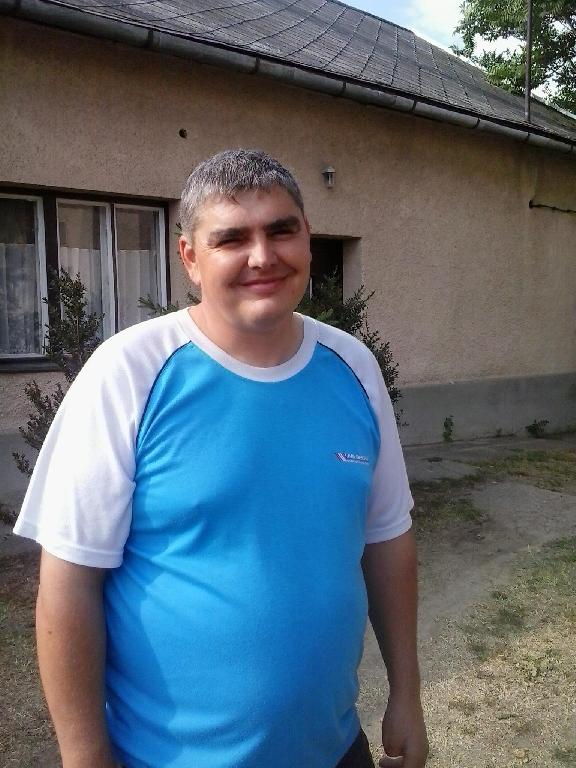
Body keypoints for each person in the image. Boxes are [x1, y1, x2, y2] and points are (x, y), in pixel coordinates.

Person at [14, 149, 428, 768]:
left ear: (307, 237)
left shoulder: (354, 367)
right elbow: (68, 586)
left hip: (336, 749)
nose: (263, 256)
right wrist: (84, 757)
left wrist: (407, 693)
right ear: (190, 258)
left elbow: (387, 539)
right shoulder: (128, 372)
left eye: (281, 230)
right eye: (231, 238)